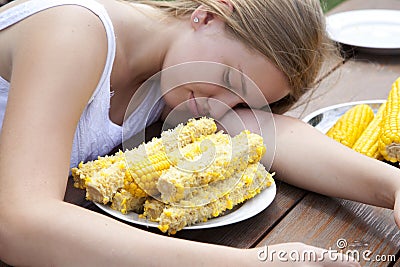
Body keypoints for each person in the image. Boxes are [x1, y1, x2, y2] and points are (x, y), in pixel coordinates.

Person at [0, 0, 397, 266]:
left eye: (241, 102)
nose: (218, 107)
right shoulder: (75, 31)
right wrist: (253, 261)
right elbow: (18, 224)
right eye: (229, 80)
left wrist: (391, 187)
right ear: (208, 16)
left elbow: (267, 133)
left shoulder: (181, 76)